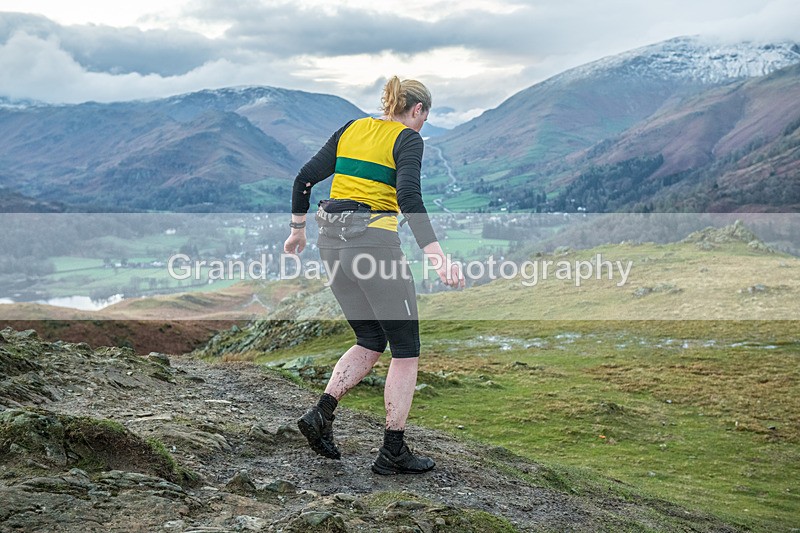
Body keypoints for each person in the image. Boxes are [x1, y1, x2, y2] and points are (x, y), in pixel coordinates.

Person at [284, 76, 464, 475]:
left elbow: (305, 179)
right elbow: (409, 197)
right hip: (374, 248)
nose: (421, 127)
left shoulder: (352, 128)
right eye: (424, 119)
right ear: (417, 110)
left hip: (331, 246)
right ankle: (393, 451)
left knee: (369, 337)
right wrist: (436, 255)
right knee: (406, 349)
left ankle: (320, 414)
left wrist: (297, 229)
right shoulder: (408, 138)